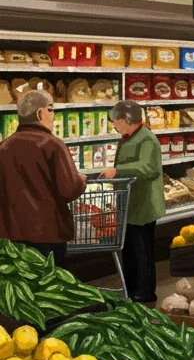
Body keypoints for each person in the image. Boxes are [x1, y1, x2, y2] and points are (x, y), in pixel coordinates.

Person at [0, 89, 86, 264]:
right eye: (51, 109)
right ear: (40, 113)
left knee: (22, 286)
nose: (53, 115)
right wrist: (81, 180)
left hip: (11, 231)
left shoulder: (4, 147)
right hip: (48, 232)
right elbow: (68, 190)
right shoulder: (52, 145)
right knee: (51, 283)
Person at [100, 100, 165, 304]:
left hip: (144, 205)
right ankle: (131, 288)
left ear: (126, 120)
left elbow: (148, 168)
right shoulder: (128, 138)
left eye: (115, 121)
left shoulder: (147, 139)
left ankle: (145, 292)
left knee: (142, 251)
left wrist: (118, 171)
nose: (114, 125)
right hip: (130, 204)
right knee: (129, 249)